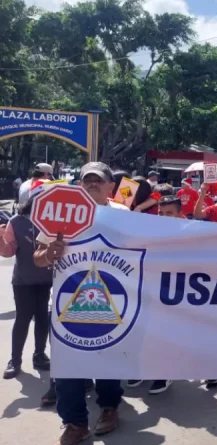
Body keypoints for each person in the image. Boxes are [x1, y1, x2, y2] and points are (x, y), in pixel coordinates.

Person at [33, 162, 128, 445]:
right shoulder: (60, 210)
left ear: (112, 186)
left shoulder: (124, 215)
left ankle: (110, 408)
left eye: (98, 180)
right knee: (67, 367)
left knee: (110, 361)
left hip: (113, 300)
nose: (92, 184)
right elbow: (38, 257)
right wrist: (49, 252)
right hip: (67, 304)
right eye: (87, 180)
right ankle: (75, 422)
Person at [0, 180, 53, 384]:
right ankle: (15, 360)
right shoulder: (17, 221)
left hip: (47, 279)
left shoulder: (55, 220)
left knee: (42, 317)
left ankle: (39, 355)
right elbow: (8, 251)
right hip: (23, 280)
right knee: (23, 317)